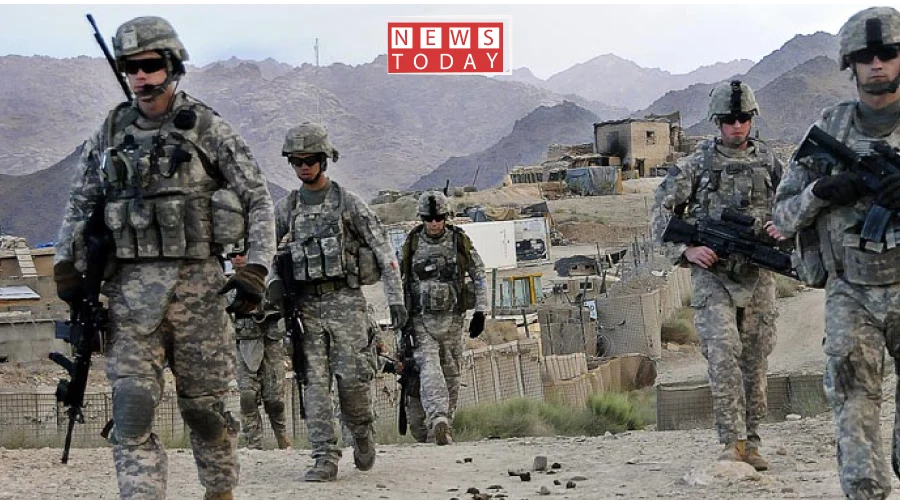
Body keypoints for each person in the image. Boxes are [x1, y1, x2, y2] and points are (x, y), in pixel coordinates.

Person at [52, 16, 275, 500]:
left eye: (150, 65)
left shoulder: (206, 128)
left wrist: (257, 268)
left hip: (200, 294)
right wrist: (65, 266)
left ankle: (219, 490)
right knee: (131, 408)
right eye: (130, 67)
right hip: (130, 300)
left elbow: (258, 199)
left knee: (205, 411)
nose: (140, 76)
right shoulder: (111, 131)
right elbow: (79, 202)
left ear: (172, 66)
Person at [774, 7, 900, 499]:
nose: (877, 64)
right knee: (853, 411)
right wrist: (823, 191)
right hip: (851, 292)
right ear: (850, 64)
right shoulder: (830, 130)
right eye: (866, 56)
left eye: (887, 53)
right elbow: (782, 216)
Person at [650, 80, 784, 471]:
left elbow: (795, 205)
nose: (736, 126)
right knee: (723, 355)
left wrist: (784, 226)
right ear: (716, 121)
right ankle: (732, 442)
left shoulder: (770, 162)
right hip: (713, 276)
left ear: (752, 119)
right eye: (728, 119)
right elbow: (660, 211)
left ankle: (753, 443)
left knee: (755, 361)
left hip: (757, 273)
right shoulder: (697, 164)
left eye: (742, 118)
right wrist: (686, 251)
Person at [271, 122, 406, 482]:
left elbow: (383, 251)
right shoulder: (287, 208)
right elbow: (266, 253)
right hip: (305, 310)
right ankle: (324, 456)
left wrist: (395, 300)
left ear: (324, 159)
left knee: (353, 382)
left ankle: (361, 433)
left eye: (310, 159)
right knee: (313, 385)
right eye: (296, 161)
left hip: (346, 304)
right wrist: (272, 288)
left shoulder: (348, 203)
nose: (303, 167)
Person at [399, 190, 488, 445]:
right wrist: (399, 318)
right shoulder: (412, 243)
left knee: (451, 372)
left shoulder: (459, 241)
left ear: (446, 217)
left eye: (438, 218)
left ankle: (442, 427)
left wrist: (481, 311)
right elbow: (398, 280)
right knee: (429, 367)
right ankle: (437, 417)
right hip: (421, 319)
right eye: (429, 219)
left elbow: (479, 273)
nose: (434, 223)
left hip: (453, 318)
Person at [228, 246, 292, 450]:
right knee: (247, 397)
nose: (238, 258)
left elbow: (282, 305)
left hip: (270, 344)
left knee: (274, 399)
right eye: (233, 255)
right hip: (243, 344)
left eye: (242, 253)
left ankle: (282, 437)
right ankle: (253, 444)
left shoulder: (268, 280)